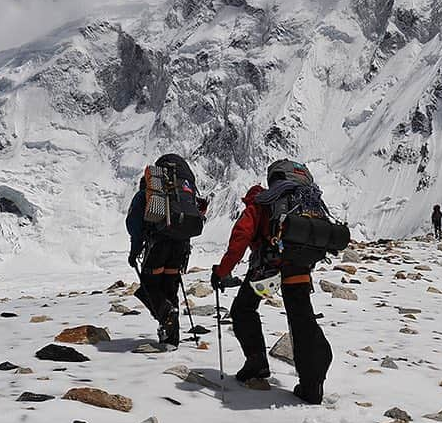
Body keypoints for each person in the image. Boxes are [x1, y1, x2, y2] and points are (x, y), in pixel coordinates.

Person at [211, 159, 333, 404]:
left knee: (243, 310)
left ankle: (256, 364)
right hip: (298, 267)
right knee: (301, 319)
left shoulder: (261, 201)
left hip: (267, 269)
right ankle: (312, 383)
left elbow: (241, 238)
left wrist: (221, 272)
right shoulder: (306, 200)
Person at [126, 153, 206, 349]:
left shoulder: (148, 195)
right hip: (181, 248)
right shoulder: (187, 194)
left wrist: (134, 251)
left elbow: (134, 224)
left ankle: (166, 315)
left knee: (149, 287)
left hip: (158, 246)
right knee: (170, 290)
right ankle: (171, 339)